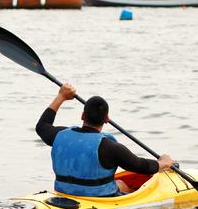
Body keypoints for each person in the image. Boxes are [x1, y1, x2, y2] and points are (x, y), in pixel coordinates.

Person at [36, 83, 175, 197]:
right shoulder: (110, 147)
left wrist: (61, 97)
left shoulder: (60, 135)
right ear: (107, 119)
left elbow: (42, 126)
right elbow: (140, 166)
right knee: (129, 190)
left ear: (83, 115)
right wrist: (162, 162)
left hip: (63, 194)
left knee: (120, 183)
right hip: (100, 199)